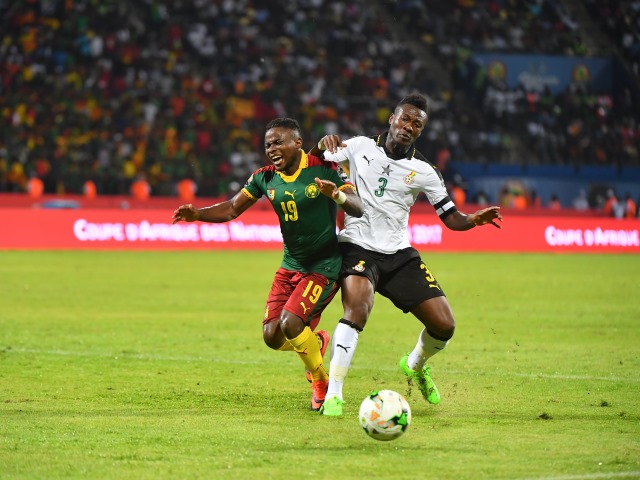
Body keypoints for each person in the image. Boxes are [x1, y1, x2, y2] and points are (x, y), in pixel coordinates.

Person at [310, 93, 502, 416]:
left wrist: (472, 220)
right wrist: (320, 144)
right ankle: (334, 395)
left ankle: (414, 365)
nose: (409, 126)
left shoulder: (425, 170)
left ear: (421, 130)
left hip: (399, 254)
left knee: (444, 326)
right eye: (405, 119)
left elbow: (450, 217)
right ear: (392, 119)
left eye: (417, 124)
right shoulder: (358, 146)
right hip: (357, 246)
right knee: (357, 310)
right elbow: (315, 158)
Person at [172, 118, 364, 411]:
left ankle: (320, 380)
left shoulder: (324, 168)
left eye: (278, 142)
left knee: (291, 323)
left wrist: (336, 194)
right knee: (272, 337)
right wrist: (198, 214)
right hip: (290, 265)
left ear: (297, 143)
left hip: (323, 266)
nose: (272, 149)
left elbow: (357, 206)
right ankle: (315, 343)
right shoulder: (264, 177)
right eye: (268, 145)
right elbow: (232, 208)